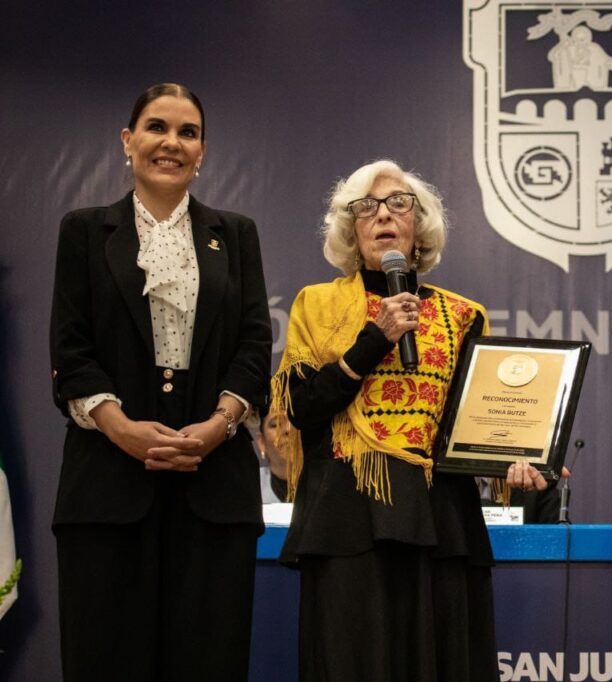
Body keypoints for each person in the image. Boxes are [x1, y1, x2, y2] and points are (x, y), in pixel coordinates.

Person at [49, 83, 272, 681]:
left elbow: (254, 347)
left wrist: (218, 426)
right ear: (128, 141)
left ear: (203, 152)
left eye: (188, 132)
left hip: (214, 494)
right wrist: (120, 428)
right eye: (156, 127)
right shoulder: (83, 230)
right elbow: (71, 352)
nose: (171, 143)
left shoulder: (237, 233)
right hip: (106, 491)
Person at [276, 159, 527, 682]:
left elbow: (470, 426)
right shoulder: (316, 306)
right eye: (366, 207)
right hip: (347, 519)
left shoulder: (464, 315)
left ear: (419, 228)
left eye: (398, 204)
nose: (383, 214)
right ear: (351, 229)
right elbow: (300, 409)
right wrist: (375, 339)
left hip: (440, 521)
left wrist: (515, 454)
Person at [256, 405, 293, 503]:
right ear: (262, 442)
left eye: (294, 423)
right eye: (275, 424)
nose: (287, 430)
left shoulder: (331, 481)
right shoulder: (249, 487)